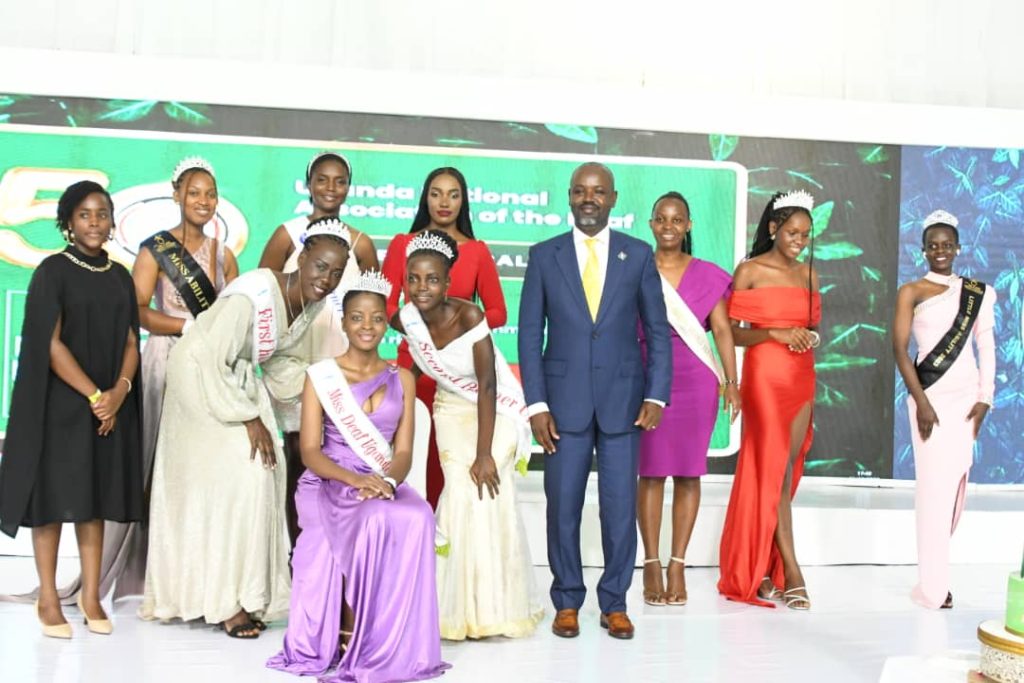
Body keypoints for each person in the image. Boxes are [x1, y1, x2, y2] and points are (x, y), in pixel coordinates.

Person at [140, 218, 351, 639]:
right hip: (199, 377)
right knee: (246, 471)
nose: (326, 279)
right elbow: (210, 355)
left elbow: (278, 361)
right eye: (320, 266)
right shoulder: (253, 293)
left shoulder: (310, 303)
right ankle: (226, 602)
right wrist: (248, 417)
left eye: (336, 273)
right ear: (301, 259)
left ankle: (248, 594)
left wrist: (325, 386)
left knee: (266, 472)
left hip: (235, 379)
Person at [267, 271, 449, 681]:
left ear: (386, 324)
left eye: (376, 318)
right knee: (371, 519)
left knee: (418, 515)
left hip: (381, 478)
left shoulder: (403, 378)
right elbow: (310, 451)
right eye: (357, 318)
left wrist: (388, 482)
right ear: (345, 323)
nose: (367, 326)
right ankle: (350, 632)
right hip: (330, 479)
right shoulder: (321, 376)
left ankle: (393, 638)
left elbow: (404, 452)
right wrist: (355, 481)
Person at [518, 162, 671, 640]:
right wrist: (536, 404)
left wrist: (656, 393)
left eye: (599, 191)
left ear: (613, 198)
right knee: (562, 506)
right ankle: (566, 600)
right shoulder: (544, 255)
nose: (589, 199)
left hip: (625, 403)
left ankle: (615, 603)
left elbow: (658, 332)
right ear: (569, 196)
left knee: (619, 509)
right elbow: (529, 335)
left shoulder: (637, 254)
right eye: (581, 191)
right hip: (561, 406)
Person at [0, 180, 143, 638]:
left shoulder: (120, 275)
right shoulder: (52, 271)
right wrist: (96, 396)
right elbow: (50, 343)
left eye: (102, 213)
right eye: (84, 214)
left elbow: (131, 342)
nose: (94, 222)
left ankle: (90, 596)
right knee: (51, 502)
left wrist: (118, 392)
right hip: (62, 405)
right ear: (67, 222)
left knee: (92, 501)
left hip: (108, 406)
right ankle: (47, 598)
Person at [391, 230, 543, 640]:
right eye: (413, 279)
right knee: (459, 493)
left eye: (432, 279)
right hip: (451, 408)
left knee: (488, 492)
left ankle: (495, 607)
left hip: (494, 411)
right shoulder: (406, 318)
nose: (422, 288)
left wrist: (484, 453)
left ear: (447, 282)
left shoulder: (470, 317)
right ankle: (449, 609)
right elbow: (412, 359)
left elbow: (488, 385)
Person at [258, 151, 377, 549]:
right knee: (298, 460)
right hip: (295, 367)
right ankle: (299, 553)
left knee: (342, 460)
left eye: (340, 180)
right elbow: (266, 295)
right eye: (322, 179)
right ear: (308, 184)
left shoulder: (361, 244)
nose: (331, 188)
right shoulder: (287, 235)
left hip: (341, 368)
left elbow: (373, 308)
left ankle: (336, 551)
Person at [717, 190, 821, 610]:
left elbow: (812, 327)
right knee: (773, 469)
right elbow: (729, 331)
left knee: (785, 471)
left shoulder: (809, 275)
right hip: (764, 376)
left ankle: (763, 565)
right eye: (793, 232)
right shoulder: (750, 270)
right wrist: (773, 333)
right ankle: (791, 571)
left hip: (801, 376)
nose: (799, 240)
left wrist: (807, 337)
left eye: (806, 234)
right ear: (774, 228)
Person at [636, 192, 740, 607]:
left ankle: (677, 563)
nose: (668, 226)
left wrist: (731, 381)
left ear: (689, 225)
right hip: (648, 380)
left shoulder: (707, 274)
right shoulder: (637, 269)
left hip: (696, 381)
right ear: (650, 223)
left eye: (677, 219)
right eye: (661, 219)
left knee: (687, 473)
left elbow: (723, 330)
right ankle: (651, 563)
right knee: (650, 473)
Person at [381, 167, 507, 508]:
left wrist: (454, 325)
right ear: (425, 198)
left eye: (453, 194)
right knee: (410, 448)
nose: (444, 202)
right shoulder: (403, 244)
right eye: (436, 193)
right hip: (415, 364)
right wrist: (418, 327)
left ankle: (445, 528)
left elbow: (498, 312)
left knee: (449, 458)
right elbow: (385, 304)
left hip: (459, 372)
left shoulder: (477, 251)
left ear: (463, 201)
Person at [892, 210, 996, 610]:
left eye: (947, 244)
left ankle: (936, 575)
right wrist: (921, 401)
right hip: (929, 399)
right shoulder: (911, 292)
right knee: (932, 491)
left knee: (953, 488)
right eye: (933, 245)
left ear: (957, 248)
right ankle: (933, 586)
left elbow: (985, 345)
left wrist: (985, 398)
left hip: (966, 401)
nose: (940, 251)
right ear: (923, 250)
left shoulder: (977, 293)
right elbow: (900, 350)